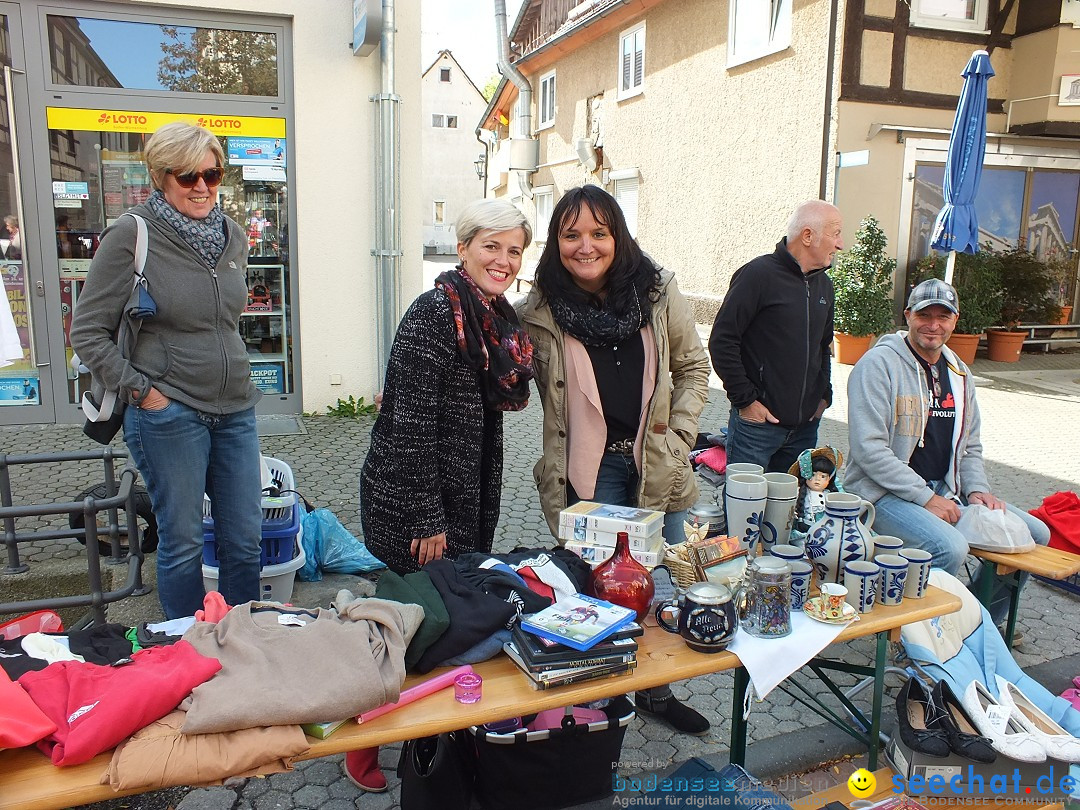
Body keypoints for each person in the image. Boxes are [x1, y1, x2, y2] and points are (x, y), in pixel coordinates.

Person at [353, 199, 533, 792]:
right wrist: (426, 518)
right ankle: (364, 734)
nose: (503, 260)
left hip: (463, 497)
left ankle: (436, 741)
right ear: (462, 249)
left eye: (514, 250)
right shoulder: (434, 313)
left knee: (440, 623)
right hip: (415, 502)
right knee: (416, 628)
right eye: (491, 246)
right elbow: (408, 422)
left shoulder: (493, 318)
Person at [519, 185, 712, 736]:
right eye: (571, 234)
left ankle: (654, 689)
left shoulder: (656, 290)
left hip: (657, 462)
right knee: (591, 587)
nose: (585, 246)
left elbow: (694, 366)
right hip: (590, 468)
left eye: (598, 233)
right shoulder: (540, 309)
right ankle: (594, 701)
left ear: (617, 236)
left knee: (660, 579)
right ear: (556, 241)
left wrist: (680, 436)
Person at [70, 121, 263, 622]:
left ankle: (242, 642)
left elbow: (223, 322)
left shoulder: (233, 236)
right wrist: (142, 391)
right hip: (168, 411)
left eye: (212, 173)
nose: (202, 186)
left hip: (235, 406)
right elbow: (87, 332)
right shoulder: (132, 235)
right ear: (160, 177)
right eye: (186, 175)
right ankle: (184, 651)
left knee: (244, 538)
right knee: (183, 543)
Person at [845, 278, 1050, 627]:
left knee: (1035, 534)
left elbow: (969, 445)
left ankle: (977, 621)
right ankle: (919, 642)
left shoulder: (959, 372)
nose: (934, 325)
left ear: (955, 321)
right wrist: (925, 497)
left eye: (944, 316)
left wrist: (977, 490)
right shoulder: (878, 365)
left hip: (946, 490)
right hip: (882, 494)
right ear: (908, 315)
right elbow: (869, 450)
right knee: (949, 547)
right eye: (925, 314)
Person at [708, 200, 842, 473]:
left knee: (789, 511)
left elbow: (822, 347)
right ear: (808, 235)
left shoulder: (824, 286)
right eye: (835, 233)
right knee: (745, 511)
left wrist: (823, 396)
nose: (840, 244)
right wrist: (746, 401)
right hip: (757, 428)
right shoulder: (757, 275)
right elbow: (722, 341)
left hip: (805, 430)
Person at [790, 445, 843, 535]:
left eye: (823, 476)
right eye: (813, 475)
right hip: (805, 530)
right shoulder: (800, 492)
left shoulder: (830, 495)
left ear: (829, 479)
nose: (817, 479)